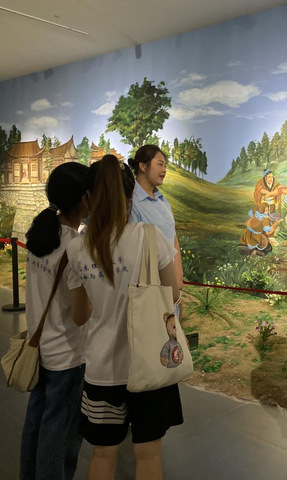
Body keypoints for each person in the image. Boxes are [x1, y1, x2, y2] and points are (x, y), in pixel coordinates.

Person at [67, 155, 183, 480]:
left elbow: (80, 315)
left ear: (88, 198)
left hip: (101, 370)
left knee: (102, 454)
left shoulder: (77, 249)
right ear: (130, 197)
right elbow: (172, 293)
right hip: (149, 365)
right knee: (148, 454)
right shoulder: (150, 236)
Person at [20, 162, 89, 480]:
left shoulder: (41, 234)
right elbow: (80, 315)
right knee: (60, 434)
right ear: (84, 198)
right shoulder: (75, 247)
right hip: (67, 356)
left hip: (39, 348)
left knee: (36, 423)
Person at [129, 144, 184, 290]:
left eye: (165, 166)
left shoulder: (163, 201)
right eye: (160, 164)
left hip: (169, 284)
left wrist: (178, 278)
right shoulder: (131, 201)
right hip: (147, 287)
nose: (164, 170)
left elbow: (173, 238)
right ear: (142, 166)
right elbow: (133, 249)